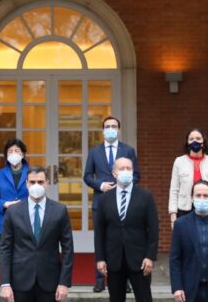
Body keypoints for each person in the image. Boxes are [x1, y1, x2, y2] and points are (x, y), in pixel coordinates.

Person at [0, 168, 74, 302]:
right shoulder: (13, 211)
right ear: (26, 184)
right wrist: (5, 283)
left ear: (47, 183)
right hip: (20, 281)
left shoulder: (60, 210)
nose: (36, 186)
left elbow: (68, 249)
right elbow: (5, 249)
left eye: (40, 182)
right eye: (32, 182)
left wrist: (64, 283)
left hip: (50, 281)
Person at [84, 115, 140, 292]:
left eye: (114, 126)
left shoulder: (128, 150)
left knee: (124, 238)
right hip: (101, 201)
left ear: (119, 129)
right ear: (102, 131)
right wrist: (100, 185)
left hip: (124, 201)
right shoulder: (94, 152)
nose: (110, 129)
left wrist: (123, 185)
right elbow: (87, 176)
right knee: (101, 238)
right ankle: (100, 279)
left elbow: (136, 175)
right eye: (107, 126)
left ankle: (126, 280)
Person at [94, 157, 158, 302]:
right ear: (114, 173)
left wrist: (150, 256)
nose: (125, 171)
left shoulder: (145, 197)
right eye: (121, 168)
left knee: (144, 298)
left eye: (128, 168)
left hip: (140, 260)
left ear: (133, 171)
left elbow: (154, 229)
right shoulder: (104, 199)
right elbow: (99, 232)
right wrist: (100, 258)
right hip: (114, 260)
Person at [0, 138, 31, 260]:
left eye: (16, 151)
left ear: (22, 154)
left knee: (26, 261)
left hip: (27, 224)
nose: (13, 154)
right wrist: (6, 204)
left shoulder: (31, 173)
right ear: (6, 155)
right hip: (3, 224)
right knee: (4, 262)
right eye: (10, 151)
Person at [169, 128, 208, 223]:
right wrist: (173, 215)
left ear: (203, 142)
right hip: (184, 210)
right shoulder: (179, 162)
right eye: (191, 139)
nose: (195, 141)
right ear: (187, 143)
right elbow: (174, 190)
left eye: (198, 138)